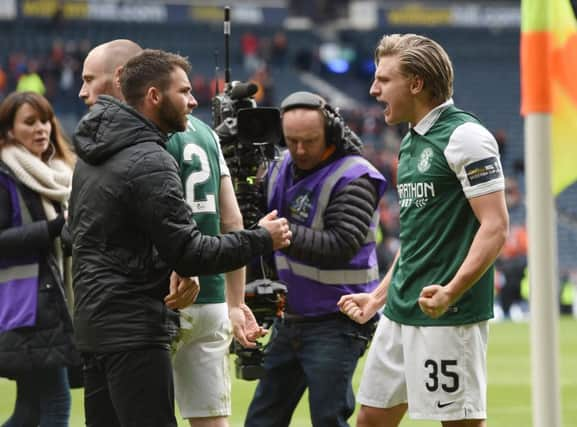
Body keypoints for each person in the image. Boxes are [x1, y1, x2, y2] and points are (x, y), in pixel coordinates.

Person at [69, 49, 291, 427]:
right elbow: (203, 241)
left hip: (98, 321)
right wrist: (263, 239)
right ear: (154, 96)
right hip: (147, 319)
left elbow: (78, 234)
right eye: (184, 91)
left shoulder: (91, 152)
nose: (193, 101)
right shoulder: (155, 153)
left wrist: (164, 261)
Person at [338, 33, 509, 427]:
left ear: (415, 84)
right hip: (400, 312)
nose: (373, 89)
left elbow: (496, 226)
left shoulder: (466, 136)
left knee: (458, 423)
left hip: (448, 314)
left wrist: (451, 290)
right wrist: (377, 297)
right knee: (371, 419)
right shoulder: (411, 141)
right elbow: (417, 237)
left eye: (384, 80)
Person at [244, 91, 387, 427]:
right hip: (290, 317)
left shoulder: (355, 175)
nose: (300, 150)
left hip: (338, 320)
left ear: (332, 134)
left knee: (328, 418)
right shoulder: (280, 167)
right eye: (291, 141)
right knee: (261, 420)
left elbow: (342, 243)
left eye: (309, 140)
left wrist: (276, 233)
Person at [0, 91, 79, 426]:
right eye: (29, 122)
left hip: (46, 303)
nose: (41, 128)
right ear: (8, 131)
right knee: (57, 401)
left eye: (45, 120)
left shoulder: (57, 174)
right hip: (26, 307)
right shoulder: (5, 177)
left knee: (30, 409)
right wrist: (55, 228)